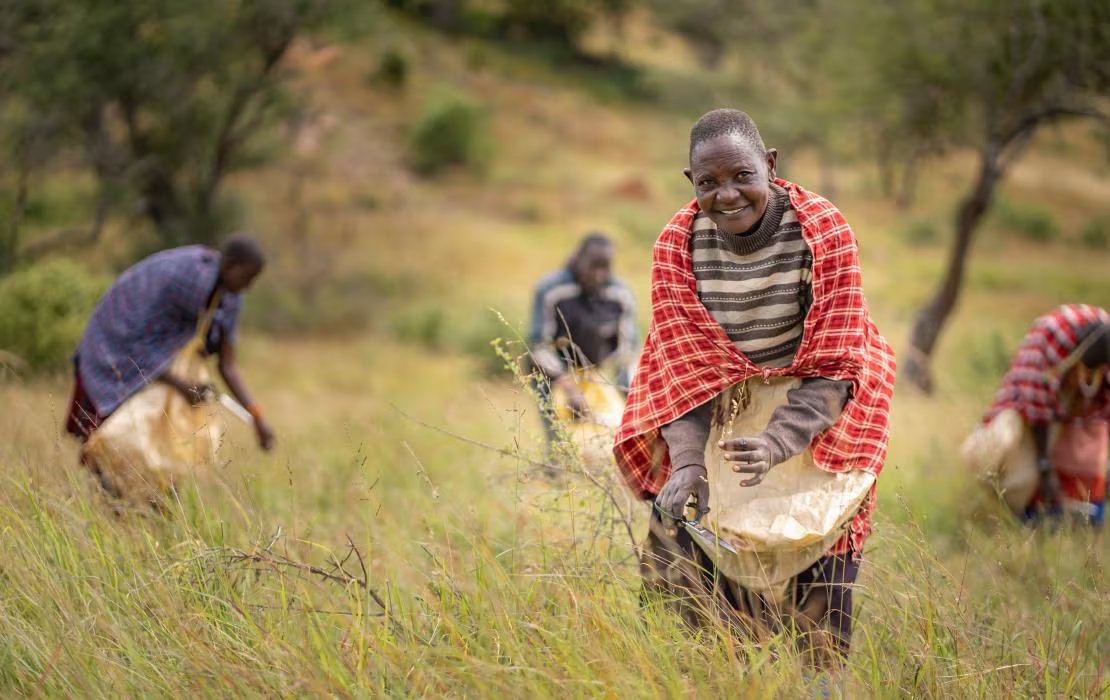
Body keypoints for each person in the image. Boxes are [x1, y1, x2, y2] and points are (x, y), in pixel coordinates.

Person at [613, 109, 895, 666]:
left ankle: (817, 679)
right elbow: (681, 365)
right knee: (684, 539)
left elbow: (838, 362)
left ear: (770, 165)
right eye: (708, 183)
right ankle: (705, 672)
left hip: (822, 404)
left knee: (820, 547)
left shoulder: (823, 230)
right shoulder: (677, 243)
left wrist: (775, 443)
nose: (727, 194)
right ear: (690, 182)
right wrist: (689, 462)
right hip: (719, 403)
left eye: (743, 175)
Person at [66, 235, 276, 493]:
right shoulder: (185, 280)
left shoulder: (231, 296)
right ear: (231, 266)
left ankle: (152, 513)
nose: (248, 286)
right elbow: (140, 342)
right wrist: (181, 385)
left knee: (166, 448)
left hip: (162, 369)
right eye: (247, 277)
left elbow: (227, 364)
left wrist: (257, 416)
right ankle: (113, 508)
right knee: (112, 442)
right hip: (114, 344)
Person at [965, 305, 1108, 525]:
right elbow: (1037, 406)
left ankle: (1086, 518)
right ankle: (1027, 518)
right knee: (1024, 468)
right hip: (1032, 410)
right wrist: (1044, 466)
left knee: (1087, 458)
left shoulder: (1103, 351)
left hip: (1082, 407)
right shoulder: (1050, 340)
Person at [528, 233, 637, 450]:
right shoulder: (552, 289)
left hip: (592, 371)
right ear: (578, 260)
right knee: (559, 438)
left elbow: (626, 352)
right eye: (592, 267)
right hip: (551, 372)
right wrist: (568, 387)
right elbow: (539, 346)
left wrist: (632, 396)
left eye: (604, 268)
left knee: (610, 431)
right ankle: (556, 469)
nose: (598, 275)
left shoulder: (620, 294)